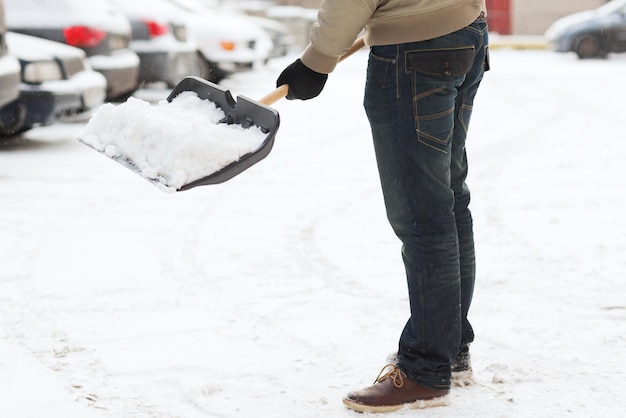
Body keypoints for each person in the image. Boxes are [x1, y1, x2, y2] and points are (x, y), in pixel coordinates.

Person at [276, 0, 489, 413]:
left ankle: (425, 368)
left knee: (423, 211)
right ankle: (450, 346)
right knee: (446, 198)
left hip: (415, 50)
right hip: (465, 31)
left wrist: (317, 60)